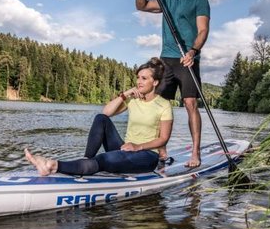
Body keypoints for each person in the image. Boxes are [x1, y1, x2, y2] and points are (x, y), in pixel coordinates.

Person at [25, 58, 173, 176]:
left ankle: (51, 165)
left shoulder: (163, 105)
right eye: (138, 78)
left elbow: (163, 139)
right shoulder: (132, 100)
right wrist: (125, 94)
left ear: (155, 82)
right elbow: (106, 113)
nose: (139, 82)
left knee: (103, 159)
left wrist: (137, 147)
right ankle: (86, 160)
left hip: (147, 155)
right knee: (100, 118)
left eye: (144, 78)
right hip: (126, 148)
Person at [135, 0, 210, 168]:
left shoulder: (199, 0)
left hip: (187, 59)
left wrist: (193, 51)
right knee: (160, 104)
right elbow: (141, 5)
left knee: (190, 103)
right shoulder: (167, 0)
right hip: (166, 59)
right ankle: (161, 152)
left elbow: (203, 30)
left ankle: (195, 153)